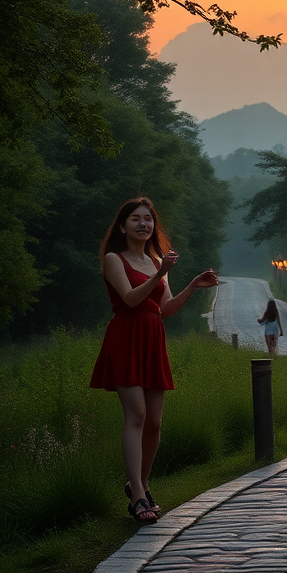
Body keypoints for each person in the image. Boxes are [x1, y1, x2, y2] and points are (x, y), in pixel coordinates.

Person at [90, 197, 219, 525]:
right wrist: (160, 272)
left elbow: (164, 309)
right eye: (136, 219)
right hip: (125, 337)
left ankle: (141, 484)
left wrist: (192, 285)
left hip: (153, 339)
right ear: (123, 226)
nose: (143, 224)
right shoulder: (113, 259)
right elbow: (131, 300)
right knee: (136, 416)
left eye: (148, 219)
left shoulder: (157, 260)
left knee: (154, 423)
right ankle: (136, 497)